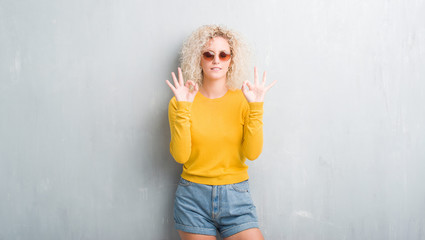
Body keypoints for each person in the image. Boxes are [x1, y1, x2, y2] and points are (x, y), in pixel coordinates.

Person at [165, 25, 276, 240]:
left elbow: (252, 153)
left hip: (236, 196)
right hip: (192, 198)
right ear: (199, 58)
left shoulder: (245, 100)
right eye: (209, 54)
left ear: (231, 60)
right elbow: (181, 156)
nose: (216, 60)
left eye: (223, 54)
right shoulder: (180, 100)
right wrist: (183, 108)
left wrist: (256, 107)